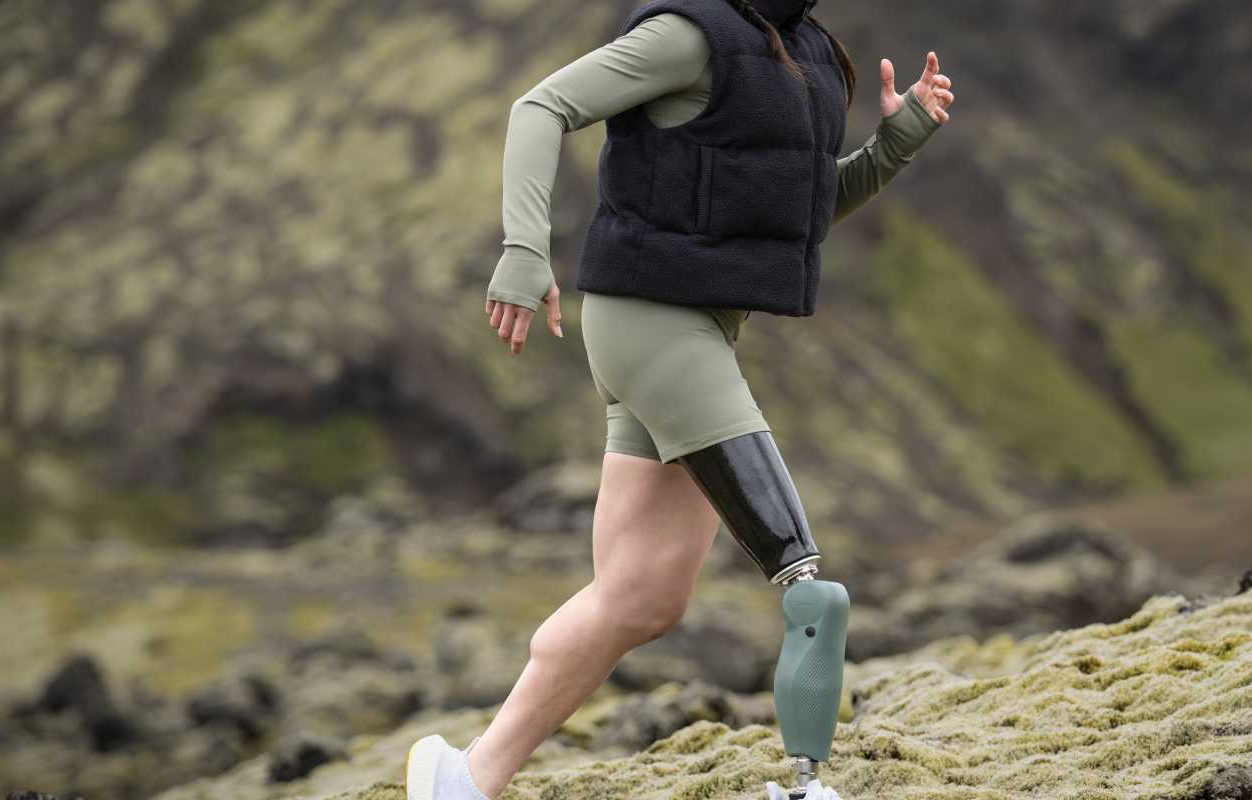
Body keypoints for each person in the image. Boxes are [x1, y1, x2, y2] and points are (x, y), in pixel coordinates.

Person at [404, 1, 955, 798]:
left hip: (698, 331)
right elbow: (540, 107)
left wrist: (896, 141)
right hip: (651, 325)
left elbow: (793, 212)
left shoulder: (808, 51)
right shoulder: (688, 35)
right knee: (806, 581)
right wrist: (524, 249)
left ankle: (462, 778)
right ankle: (807, 788)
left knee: (640, 596)